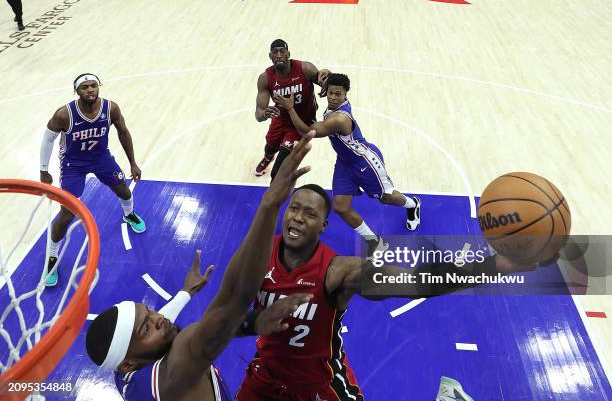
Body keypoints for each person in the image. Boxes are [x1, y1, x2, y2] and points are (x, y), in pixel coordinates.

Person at [235, 184, 540, 400]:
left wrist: (495, 265)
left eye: (310, 214)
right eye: (294, 209)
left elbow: (417, 282)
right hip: (266, 379)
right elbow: (227, 319)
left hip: (319, 385)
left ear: (324, 226)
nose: (298, 217)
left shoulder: (340, 271)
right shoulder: (260, 253)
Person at [86, 131, 318, 401]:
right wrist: (269, 206)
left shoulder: (125, 371)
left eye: (149, 311)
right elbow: (232, 300)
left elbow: (171, 320)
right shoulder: (175, 369)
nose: (159, 319)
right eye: (147, 328)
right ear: (128, 362)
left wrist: (185, 294)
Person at [273, 73, 421, 254]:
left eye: (338, 94)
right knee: (341, 207)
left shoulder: (340, 119)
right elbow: (323, 78)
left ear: (346, 95)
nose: (334, 98)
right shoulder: (331, 99)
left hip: (365, 162)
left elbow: (307, 132)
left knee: (385, 198)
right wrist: (321, 76)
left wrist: (290, 108)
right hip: (344, 162)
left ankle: (413, 204)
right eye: (331, 93)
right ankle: (374, 242)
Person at [39, 73, 146, 287]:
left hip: (101, 158)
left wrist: (133, 162)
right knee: (67, 212)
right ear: (77, 91)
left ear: (99, 87)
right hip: (73, 164)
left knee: (124, 191)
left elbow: (123, 132)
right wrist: (44, 170)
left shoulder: (111, 108)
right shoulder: (64, 114)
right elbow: (47, 139)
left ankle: (129, 215)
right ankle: (51, 258)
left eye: (94, 86)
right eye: (85, 87)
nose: (90, 90)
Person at [254, 39, 330, 179]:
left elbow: (324, 80)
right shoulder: (265, 78)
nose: (278, 55)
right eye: (274, 52)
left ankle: (276, 189)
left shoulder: (305, 69)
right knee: (270, 146)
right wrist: (264, 113)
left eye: (282, 51)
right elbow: (258, 114)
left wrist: (327, 78)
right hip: (280, 119)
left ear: (288, 54)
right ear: (270, 56)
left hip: (301, 122)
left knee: (277, 172)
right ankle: (267, 158)